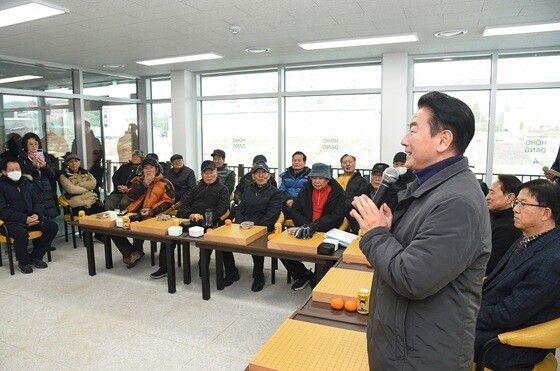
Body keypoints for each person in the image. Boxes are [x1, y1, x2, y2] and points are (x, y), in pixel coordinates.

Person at [350, 91, 491, 370]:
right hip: (404, 344)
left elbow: (412, 278)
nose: (404, 140)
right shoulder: (432, 188)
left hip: (421, 357)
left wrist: (377, 233)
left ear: (443, 140)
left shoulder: (457, 202)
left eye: (414, 129)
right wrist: (389, 231)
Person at [475, 179, 560, 370]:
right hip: (495, 324)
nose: (515, 209)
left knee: (432, 334)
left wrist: (465, 313)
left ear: (545, 213)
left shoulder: (552, 259)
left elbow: (509, 314)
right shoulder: (528, 239)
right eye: (516, 203)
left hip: (507, 344)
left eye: (523, 204)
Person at [151, 160, 236, 283]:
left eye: (211, 172)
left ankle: (227, 271)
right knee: (170, 234)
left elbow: (221, 209)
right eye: (205, 173)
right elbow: (184, 204)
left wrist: (205, 217)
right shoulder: (196, 188)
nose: (209, 175)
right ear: (201, 174)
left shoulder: (222, 189)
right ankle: (164, 267)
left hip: (211, 222)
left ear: (216, 172)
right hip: (192, 221)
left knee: (217, 241)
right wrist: (189, 214)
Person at [284, 162, 345, 291]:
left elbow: (337, 216)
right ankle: (303, 274)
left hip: (326, 231)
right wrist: (306, 226)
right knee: (281, 249)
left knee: (323, 259)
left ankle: (319, 278)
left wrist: (314, 226)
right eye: (314, 178)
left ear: (327, 179)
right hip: (305, 227)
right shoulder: (306, 188)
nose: (316, 181)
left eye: (320, 178)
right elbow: (295, 210)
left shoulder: (337, 192)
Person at [111, 157, 175, 268]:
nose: (148, 170)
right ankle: (132, 252)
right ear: (142, 170)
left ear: (157, 169)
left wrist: (151, 210)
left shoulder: (165, 183)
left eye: (151, 168)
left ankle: (136, 251)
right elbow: (130, 196)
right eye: (146, 168)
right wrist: (144, 184)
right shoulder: (137, 180)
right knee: (112, 228)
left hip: (152, 214)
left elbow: (168, 202)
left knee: (139, 225)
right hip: (132, 212)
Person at [0, 158, 58, 274]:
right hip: (12, 221)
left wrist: (36, 214)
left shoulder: (26, 183)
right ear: (4, 172)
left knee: (52, 226)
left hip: (31, 217)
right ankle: (24, 262)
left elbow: (37, 201)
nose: (15, 172)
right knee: (21, 234)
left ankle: (36, 256)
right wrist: (24, 219)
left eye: (17, 169)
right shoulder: (1, 187)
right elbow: (2, 210)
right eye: (11, 170)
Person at [235, 162, 283, 292]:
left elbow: (271, 216)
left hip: (263, 228)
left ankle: (258, 275)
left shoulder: (275, 193)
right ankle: (231, 271)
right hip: (244, 225)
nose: (260, 176)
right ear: (253, 176)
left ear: (268, 176)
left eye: (263, 173)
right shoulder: (248, 191)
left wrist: (254, 227)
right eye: (257, 173)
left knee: (256, 244)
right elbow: (240, 209)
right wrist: (241, 223)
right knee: (222, 242)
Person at [484, 174, 522, 275]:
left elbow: (490, 267)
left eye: (492, 193)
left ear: (509, 197)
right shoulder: (495, 219)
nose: (487, 197)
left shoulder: (508, 228)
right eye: (488, 192)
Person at [18, 133, 60, 219]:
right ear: (26, 145)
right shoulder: (21, 159)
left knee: (50, 222)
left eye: (36, 144)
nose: (34, 146)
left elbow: (52, 175)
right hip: (33, 193)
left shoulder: (45, 156)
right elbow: (21, 177)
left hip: (47, 193)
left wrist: (45, 166)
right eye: (30, 144)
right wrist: (32, 166)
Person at [336, 154, 368, 233]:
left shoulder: (361, 181)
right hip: (338, 215)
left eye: (350, 162)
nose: (347, 164)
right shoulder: (336, 181)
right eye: (345, 162)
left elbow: (360, 197)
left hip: (354, 215)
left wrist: (344, 206)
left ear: (354, 164)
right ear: (341, 165)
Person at [278, 151, 311, 219]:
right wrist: (287, 200)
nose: (296, 162)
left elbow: (309, 193)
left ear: (304, 163)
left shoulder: (310, 176)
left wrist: (295, 202)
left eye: (299, 161)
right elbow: (280, 191)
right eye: (294, 160)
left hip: (302, 205)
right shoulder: (286, 175)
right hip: (286, 205)